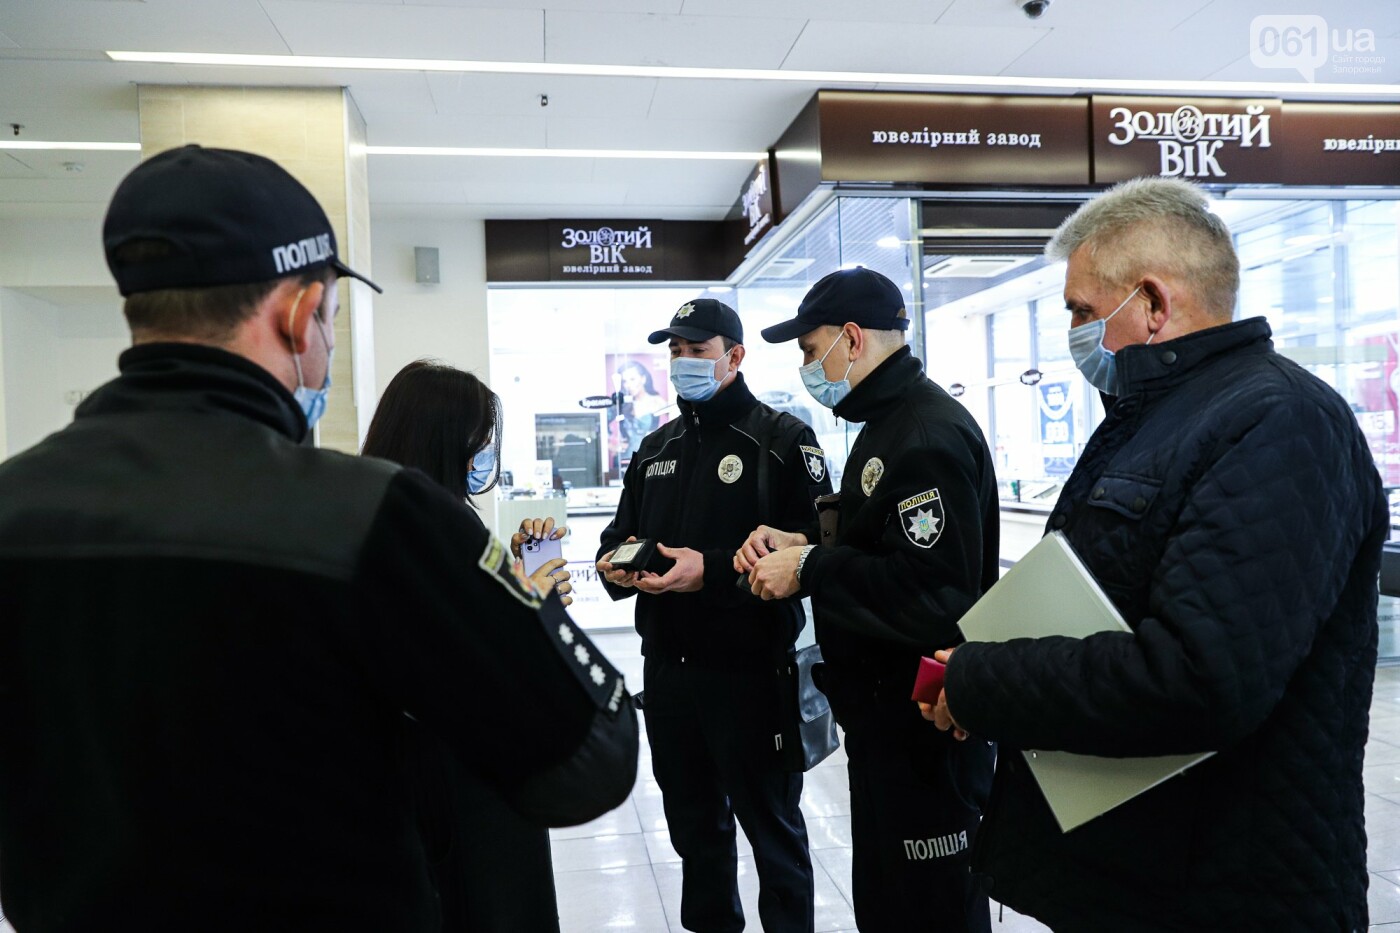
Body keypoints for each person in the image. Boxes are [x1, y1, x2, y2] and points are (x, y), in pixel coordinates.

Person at [0, 145, 637, 932]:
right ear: (301, 313)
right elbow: (589, 759)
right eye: (333, 318)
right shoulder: (372, 516)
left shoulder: (15, 508)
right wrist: (528, 611)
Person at [925, 177, 1389, 931]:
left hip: (1227, 889)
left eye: (1082, 310)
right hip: (1137, 871)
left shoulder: (1280, 421)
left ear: (1150, 303)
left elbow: (1200, 678)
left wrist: (985, 682)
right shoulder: (1160, 419)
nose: (1074, 331)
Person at [737, 267, 1000, 933]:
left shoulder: (923, 434)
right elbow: (883, 548)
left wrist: (811, 567)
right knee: (888, 907)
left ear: (851, 339)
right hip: (884, 724)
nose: (807, 366)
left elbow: (935, 594)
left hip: (927, 730)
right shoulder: (884, 424)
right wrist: (804, 543)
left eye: (809, 348)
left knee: (932, 911)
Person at [595, 298, 832, 933]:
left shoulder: (783, 440)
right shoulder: (655, 448)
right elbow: (617, 537)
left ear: (734, 356)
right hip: (669, 675)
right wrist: (614, 566)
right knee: (695, 833)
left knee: (774, 833)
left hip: (752, 673)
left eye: (697, 351)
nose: (682, 362)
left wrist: (714, 568)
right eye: (675, 351)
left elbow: (818, 547)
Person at [362, 359, 575, 933]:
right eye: (478, 440)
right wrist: (528, 606)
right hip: (456, 783)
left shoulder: (419, 513)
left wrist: (513, 576)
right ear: (442, 439)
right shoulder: (416, 527)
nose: (485, 454)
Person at [613, 358, 667, 467]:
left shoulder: (657, 402)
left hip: (650, 458)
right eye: (625, 381)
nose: (628, 385)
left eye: (632, 379)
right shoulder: (623, 405)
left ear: (643, 379)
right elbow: (602, 429)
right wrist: (613, 445)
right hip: (625, 460)